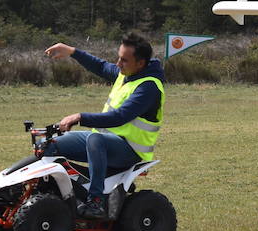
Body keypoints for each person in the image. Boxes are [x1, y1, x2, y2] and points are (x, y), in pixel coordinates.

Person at [43, 32, 166, 218]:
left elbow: (119, 117)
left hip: (129, 150)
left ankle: (96, 202)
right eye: (119, 58)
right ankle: (55, 197)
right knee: (51, 143)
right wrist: (71, 51)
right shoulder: (125, 74)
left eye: (124, 60)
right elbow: (100, 66)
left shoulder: (149, 87)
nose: (118, 64)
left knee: (95, 139)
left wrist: (80, 117)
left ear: (140, 63)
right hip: (102, 143)